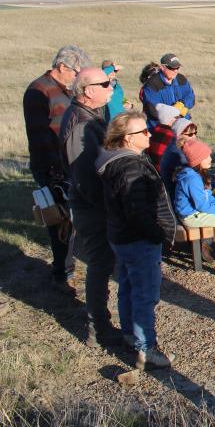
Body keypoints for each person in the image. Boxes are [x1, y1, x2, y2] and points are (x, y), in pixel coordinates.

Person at [95, 111, 177, 368]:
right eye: (142, 131)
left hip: (123, 237)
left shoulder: (120, 161)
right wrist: (158, 234)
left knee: (129, 286)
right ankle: (146, 349)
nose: (149, 134)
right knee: (145, 294)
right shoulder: (130, 166)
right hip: (138, 240)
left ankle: (131, 335)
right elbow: (137, 211)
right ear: (127, 138)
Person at [60, 66, 120, 347]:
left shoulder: (89, 117)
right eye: (106, 83)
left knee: (103, 264)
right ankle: (99, 330)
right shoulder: (82, 125)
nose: (112, 87)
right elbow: (86, 178)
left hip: (94, 206)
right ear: (87, 91)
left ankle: (101, 324)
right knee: (99, 265)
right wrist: (109, 207)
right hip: (92, 208)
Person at [22, 44, 89, 289]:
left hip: (68, 164)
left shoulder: (65, 89)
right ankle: (62, 275)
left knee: (71, 218)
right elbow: (40, 137)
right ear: (62, 67)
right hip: (52, 167)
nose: (77, 78)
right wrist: (54, 172)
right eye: (76, 73)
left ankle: (67, 268)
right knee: (59, 220)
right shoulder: (38, 91)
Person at [174, 137, 215, 229]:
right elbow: (202, 205)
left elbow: (208, 196)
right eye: (206, 157)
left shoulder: (198, 175)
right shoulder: (192, 179)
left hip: (195, 213)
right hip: (190, 217)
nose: (210, 159)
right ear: (197, 161)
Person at [141, 52, 195, 130]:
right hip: (160, 129)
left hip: (182, 125)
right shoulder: (152, 85)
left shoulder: (181, 79)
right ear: (162, 67)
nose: (175, 71)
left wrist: (182, 104)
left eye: (177, 68)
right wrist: (174, 112)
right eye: (172, 68)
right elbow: (153, 111)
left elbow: (191, 97)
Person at [160, 118, 198, 198]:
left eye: (195, 133)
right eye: (190, 134)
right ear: (179, 134)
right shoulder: (177, 152)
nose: (195, 136)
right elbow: (189, 174)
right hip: (175, 193)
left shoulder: (176, 145)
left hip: (178, 188)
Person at [146, 104, 181, 170]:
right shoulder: (170, 135)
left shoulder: (155, 130)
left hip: (154, 170)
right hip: (165, 172)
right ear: (168, 119)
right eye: (177, 117)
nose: (179, 119)